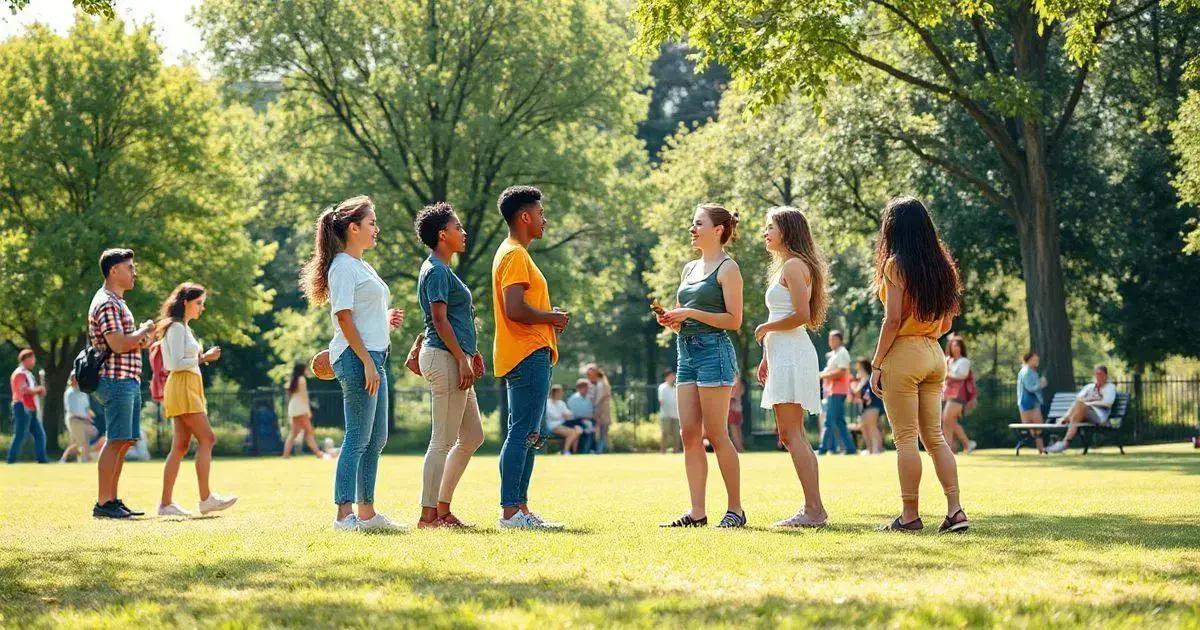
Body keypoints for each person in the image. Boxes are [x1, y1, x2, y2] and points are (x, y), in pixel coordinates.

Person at [301, 195, 406, 532]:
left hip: (375, 355)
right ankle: (343, 514)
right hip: (359, 359)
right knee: (357, 438)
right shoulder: (343, 266)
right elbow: (343, 317)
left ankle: (367, 513)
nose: (377, 229)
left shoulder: (362, 265)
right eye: (372, 223)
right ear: (353, 227)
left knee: (377, 439)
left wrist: (384, 318)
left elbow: (360, 312)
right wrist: (367, 363)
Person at [868, 196, 969, 533]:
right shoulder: (942, 266)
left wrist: (877, 364)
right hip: (934, 354)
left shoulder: (895, 265)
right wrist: (928, 335)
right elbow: (947, 325)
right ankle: (955, 511)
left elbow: (892, 320)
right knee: (936, 438)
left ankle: (909, 515)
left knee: (906, 440)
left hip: (904, 355)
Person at [656, 203, 745, 529]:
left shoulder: (728, 268)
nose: (692, 229)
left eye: (698, 224)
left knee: (717, 433)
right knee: (689, 434)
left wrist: (690, 314)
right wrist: (671, 319)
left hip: (714, 354)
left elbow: (734, 320)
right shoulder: (689, 269)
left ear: (718, 229)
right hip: (686, 354)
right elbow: (682, 315)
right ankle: (697, 513)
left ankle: (735, 510)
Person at [491, 185, 568, 530]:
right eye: (540, 213)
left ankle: (520, 509)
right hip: (526, 353)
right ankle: (511, 511)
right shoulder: (515, 255)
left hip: (528, 352)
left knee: (529, 434)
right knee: (522, 432)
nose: (544, 219)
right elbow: (515, 308)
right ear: (524, 216)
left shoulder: (516, 253)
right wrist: (552, 317)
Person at [754, 206, 830, 527]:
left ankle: (813, 510)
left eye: (770, 227)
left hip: (793, 353)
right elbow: (783, 314)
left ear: (786, 230)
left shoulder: (796, 266)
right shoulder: (787, 266)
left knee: (790, 434)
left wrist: (766, 330)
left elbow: (802, 315)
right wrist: (766, 356)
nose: (765, 232)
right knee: (793, 434)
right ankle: (815, 509)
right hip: (783, 353)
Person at [414, 201, 486, 529]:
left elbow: (456, 318)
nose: (464, 232)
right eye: (458, 227)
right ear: (443, 235)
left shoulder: (443, 269)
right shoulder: (437, 270)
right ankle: (429, 516)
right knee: (441, 441)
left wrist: (472, 353)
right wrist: (461, 358)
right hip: (445, 359)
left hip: (456, 357)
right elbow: (440, 320)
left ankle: (442, 510)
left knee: (472, 436)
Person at [155, 283, 237, 517]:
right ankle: (205, 499)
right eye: (198, 303)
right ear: (185, 303)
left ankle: (166, 504)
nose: (202, 308)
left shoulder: (183, 328)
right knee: (207, 438)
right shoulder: (177, 328)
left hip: (186, 385)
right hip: (182, 386)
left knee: (180, 446)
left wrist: (202, 358)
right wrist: (204, 358)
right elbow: (174, 364)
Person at [88, 249, 155, 518]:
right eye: (129, 267)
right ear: (114, 271)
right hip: (116, 380)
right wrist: (144, 330)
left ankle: (112, 500)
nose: (134, 272)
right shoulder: (107, 303)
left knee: (124, 441)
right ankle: (104, 503)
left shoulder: (118, 302)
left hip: (127, 378)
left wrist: (140, 338)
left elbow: (126, 342)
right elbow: (116, 343)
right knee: (116, 441)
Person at [1046, 365, 1117, 453]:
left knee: (1079, 408)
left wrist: (1090, 403)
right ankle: (1065, 442)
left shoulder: (1110, 387)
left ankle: (1064, 420)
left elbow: (1108, 403)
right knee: (1077, 411)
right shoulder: (1090, 387)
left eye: (1100, 374)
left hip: (1099, 416)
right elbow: (1078, 399)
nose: (1098, 377)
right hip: (1083, 413)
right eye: (1096, 374)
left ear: (1106, 375)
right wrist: (1091, 399)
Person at [818, 331, 857, 455]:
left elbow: (841, 371)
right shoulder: (834, 354)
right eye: (830, 339)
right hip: (832, 391)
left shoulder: (842, 353)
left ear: (840, 340)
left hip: (838, 391)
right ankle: (850, 448)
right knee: (839, 421)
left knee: (829, 420)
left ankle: (823, 448)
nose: (831, 342)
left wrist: (823, 375)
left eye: (834, 339)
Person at [7, 349, 48, 464]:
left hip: (31, 408)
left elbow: (32, 391)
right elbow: (24, 390)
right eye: (33, 358)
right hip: (21, 406)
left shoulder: (28, 374)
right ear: (26, 359)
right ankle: (11, 459)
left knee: (40, 435)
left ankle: (42, 459)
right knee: (20, 435)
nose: (34, 361)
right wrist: (39, 389)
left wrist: (39, 391)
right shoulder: (19, 373)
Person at [941, 335, 977, 454]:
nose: (955, 348)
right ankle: (955, 446)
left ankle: (960, 444)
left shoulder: (964, 361)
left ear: (961, 348)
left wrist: (947, 375)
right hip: (947, 394)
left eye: (957, 346)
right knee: (949, 421)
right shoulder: (948, 360)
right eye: (953, 345)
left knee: (946, 418)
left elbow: (963, 375)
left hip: (959, 394)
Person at [282, 363, 324, 459]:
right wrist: (308, 410)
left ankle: (286, 454)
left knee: (294, 433)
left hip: (293, 408)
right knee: (309, 432)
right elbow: (304, 396)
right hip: (301, 408)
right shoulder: (301, 379)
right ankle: (318, 453)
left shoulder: (294, 380)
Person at [1017, 351, 1048, 453]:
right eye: (1035, 360)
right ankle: (1041, 448)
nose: (1037, 361)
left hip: (1024, 403)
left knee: (1033, 428)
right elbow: (1030, 387)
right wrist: (1041, 384)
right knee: (1037, 426)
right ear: (1029, 360)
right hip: (1030, 402)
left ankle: (1040, 448)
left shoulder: (1027, 371)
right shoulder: (1027, 372)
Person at [851, 360, 885, 454]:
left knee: (872, 427)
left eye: (860, 368)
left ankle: (877, 449)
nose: (858, 371)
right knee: (865, 428)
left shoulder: (867, 378)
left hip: (873, 405)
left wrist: (854, 385)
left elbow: (856, 392)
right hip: (865, 407)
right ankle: (870, 449)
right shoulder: (863, 379)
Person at [61, 372, 95, 463]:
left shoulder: (83, 392)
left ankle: (64, 460)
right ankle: (85, 460)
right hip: (73, 419)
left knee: (77, 443)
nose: (76, 380)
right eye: (74, 378)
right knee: (83, 442)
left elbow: (87, 407)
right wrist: (86, 416)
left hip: (83, 420)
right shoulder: (69, 393)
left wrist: (89, 416)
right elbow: (72, 410)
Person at [545, 385, 583, 455]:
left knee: (578, 430)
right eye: (560, 392)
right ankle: (566, 451)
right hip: (553, 425)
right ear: (554, 393)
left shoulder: (561, 403)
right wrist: (562, 415)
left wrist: (565, 415)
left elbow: (570, 414)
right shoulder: (547, 403)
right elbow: (552, 416)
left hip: (564, 424)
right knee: (572, 432)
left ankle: (575, 452)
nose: (562, 394)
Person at [586, 364, 613, 453]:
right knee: (599, 433)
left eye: (590, 375)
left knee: (602, 433)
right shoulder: (596, 384)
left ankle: (598, 451)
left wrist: (598, 413)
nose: (588, 377)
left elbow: (602, 399)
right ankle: (597, 450)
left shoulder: (602, 384)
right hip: (598, 412)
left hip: (602, 413)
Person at [565, 378, 596, 454]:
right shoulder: (574, 399)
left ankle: (590, 449)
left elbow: (591, 411)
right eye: (587, 388)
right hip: (574, 421)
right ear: (581, 388)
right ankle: (584, 451)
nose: (588, 390)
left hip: (587, 420)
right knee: (588, 426)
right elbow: (575, 414)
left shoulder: (588, 398)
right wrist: (586, 417)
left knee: (593, 426)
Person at [657, 369, 681, 453]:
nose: (673, 377)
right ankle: (663, 451)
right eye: (671, 376)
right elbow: (661, 401)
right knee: (665, 433)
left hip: (676, 415)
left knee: (677, 434)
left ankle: (676, 450)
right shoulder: (662, 387)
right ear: (666, 377)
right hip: (665, 415)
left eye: (673, 376)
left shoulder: (676, 387)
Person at [728, 378, 745, 453]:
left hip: (734, 409)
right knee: (737, 430)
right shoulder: (738, 382)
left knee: (735, 431)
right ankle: (740, 449)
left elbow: (733, 396)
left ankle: (739, 449)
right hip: (737, 409)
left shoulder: (735, 382)